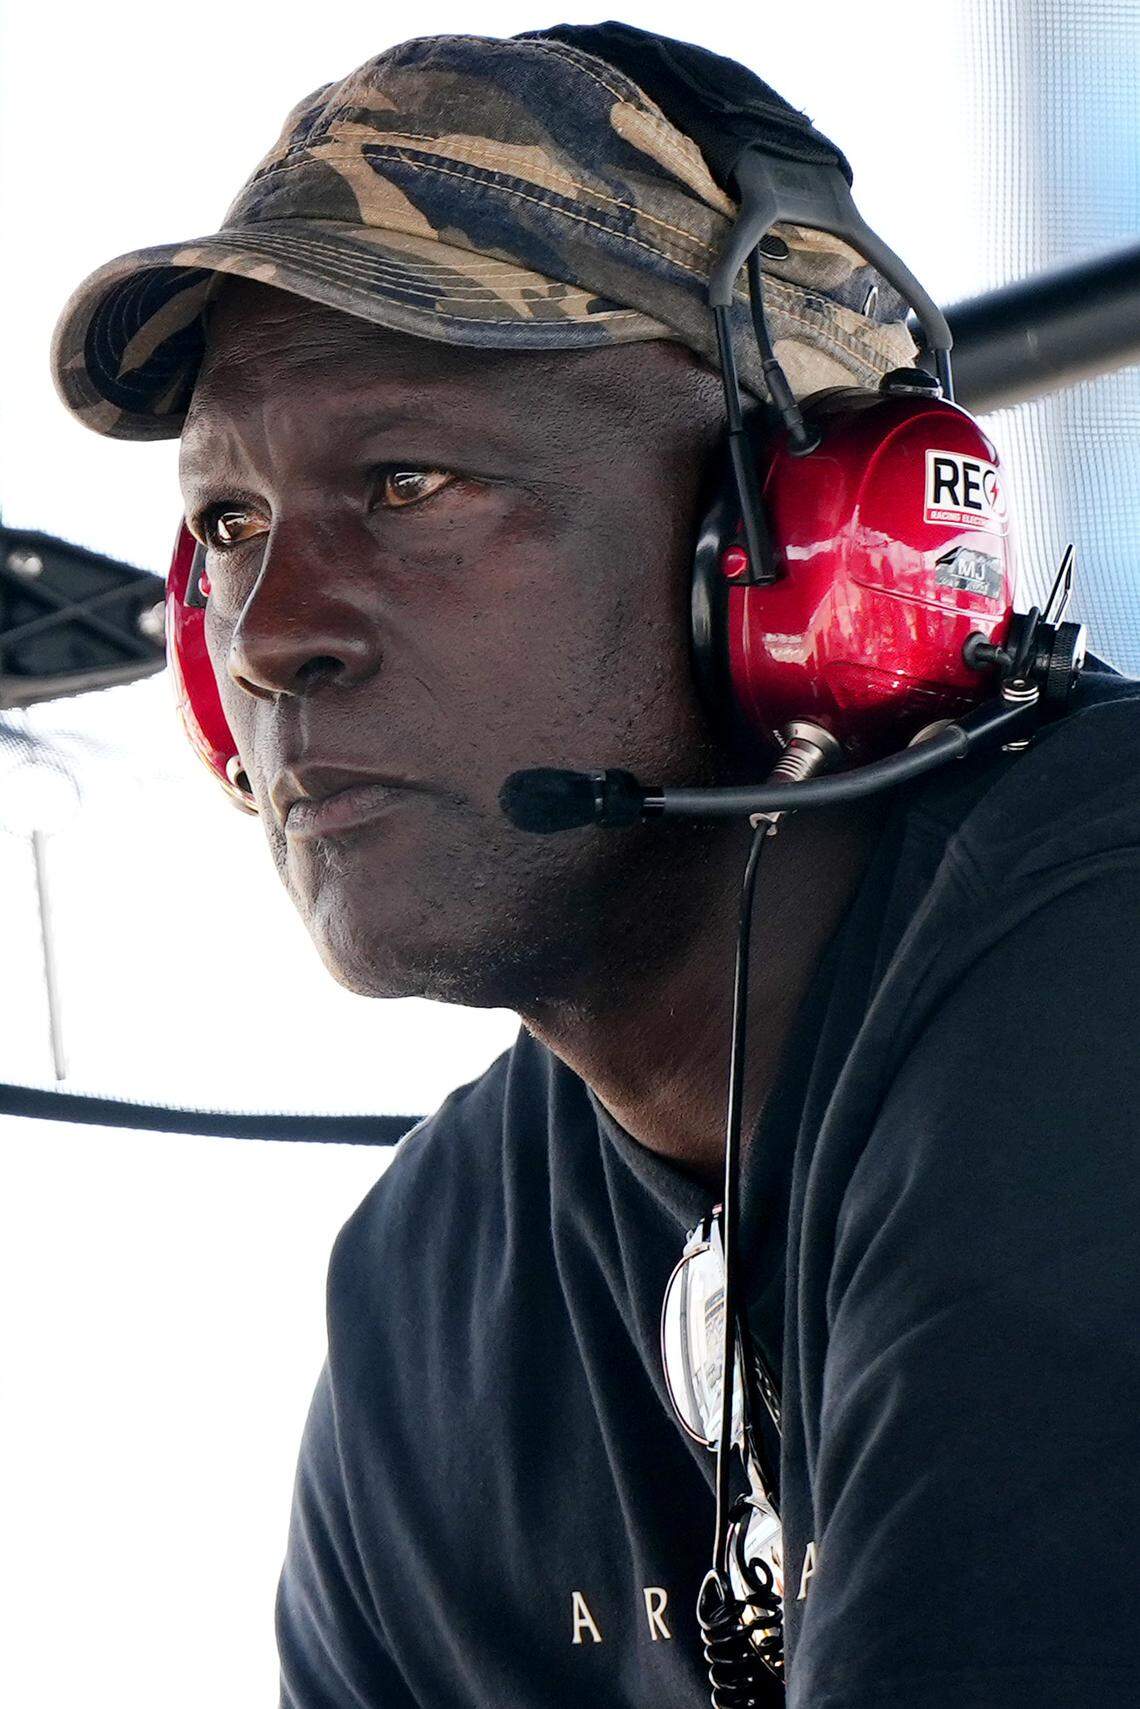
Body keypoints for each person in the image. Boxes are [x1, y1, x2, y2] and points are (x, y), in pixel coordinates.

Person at [50, 23, 1140, 1709]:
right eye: (231, 527)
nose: (269, 638)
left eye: (409, 483)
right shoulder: (432, 1300)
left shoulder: (1102, 968)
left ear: (797, 549)